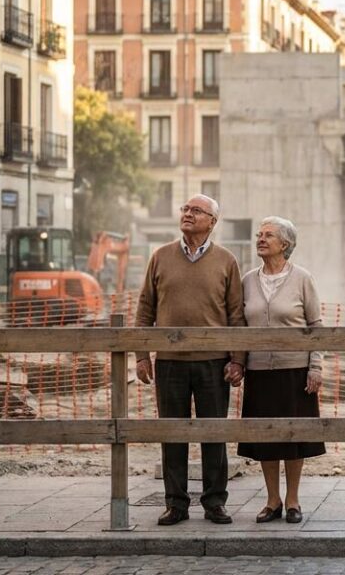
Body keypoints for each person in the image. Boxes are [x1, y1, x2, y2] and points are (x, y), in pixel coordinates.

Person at [134, 194, 245, 527]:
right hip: (169, 362)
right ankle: (176, 504)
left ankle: (214, 503)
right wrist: (142, 355)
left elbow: (236, 314)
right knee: (172, 433)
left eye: (197, 211)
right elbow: (144, 309)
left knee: (214, 433)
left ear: (212, 221)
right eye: (185, 209)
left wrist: (237, 359)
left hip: (214, 363)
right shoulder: (160, 257)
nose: (188, 214)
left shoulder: (227, 261)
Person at [238, 217, 325, 525]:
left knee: (294, 436)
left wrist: (315, 365)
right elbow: (239, 326)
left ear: (285, 244)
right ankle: (272, 499)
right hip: (259, 371)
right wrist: (238, 362)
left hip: (294, 370)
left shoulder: (302, 278)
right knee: (265, 438)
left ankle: (293, 500)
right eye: (259, 235)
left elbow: (316, 326)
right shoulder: (248, 279)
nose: (260, 239)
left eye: (268, 235)